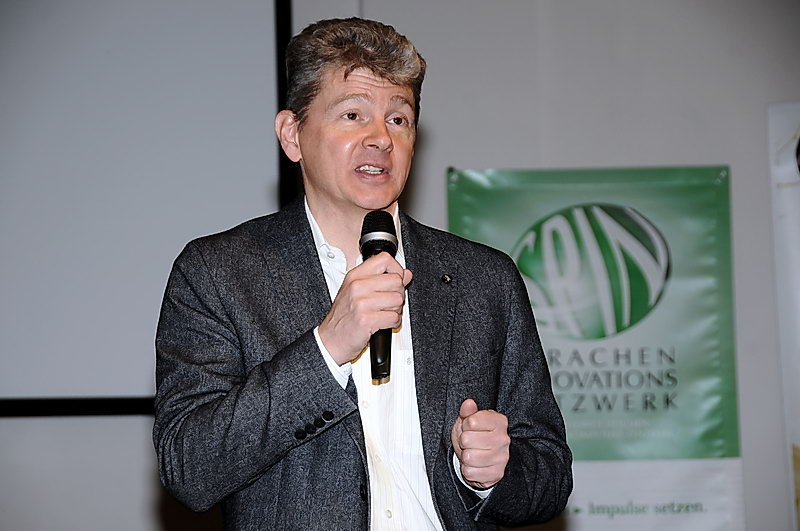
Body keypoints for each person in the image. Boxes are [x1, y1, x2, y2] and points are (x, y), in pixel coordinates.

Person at [153, 17, 572, 530]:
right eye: (353, 115)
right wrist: (327, 346)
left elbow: (550, 473)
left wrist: (489, 474)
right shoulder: (218, 274)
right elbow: (189, 467)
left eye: (399, 119)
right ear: (292, 135)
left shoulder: (484, 279)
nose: (380, 139)